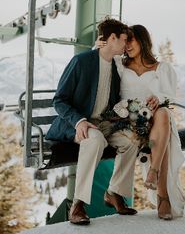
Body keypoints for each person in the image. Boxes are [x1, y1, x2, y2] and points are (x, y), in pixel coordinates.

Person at [46, 18, 141, 225]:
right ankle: (78, 205)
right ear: (112, 38)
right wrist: (79, 121)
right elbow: (59, 100)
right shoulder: (82, 62)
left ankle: (114, 192)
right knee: (95, 140)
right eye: (124, 39)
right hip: (79, 124)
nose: (126, 45)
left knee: (132, 139)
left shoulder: (117, 67)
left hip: (105, 123)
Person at [98, 24, 185, 220]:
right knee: (163, 133)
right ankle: (163, 197)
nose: (127, 45)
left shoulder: (162, 68)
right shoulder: (120, 64)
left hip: (154, 120)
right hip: (128, 119)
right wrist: (99, 44)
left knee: (163, 114)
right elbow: (99, 59)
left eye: (131, 40)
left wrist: (158, 98)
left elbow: (169, 95)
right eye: (125, 40)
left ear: (143, 41)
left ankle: (154, 174)